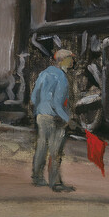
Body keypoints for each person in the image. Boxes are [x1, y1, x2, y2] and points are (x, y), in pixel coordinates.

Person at [31, 48, 77, 192]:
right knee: (55, 151)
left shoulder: (43, 74)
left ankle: (37, 178)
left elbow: (34, 97)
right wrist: (68, 119)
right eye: (70, 59)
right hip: (55, 118)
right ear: (62, 60)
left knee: (41, 147)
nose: (72, 62)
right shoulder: (62, 77)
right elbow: (57, 104)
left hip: (41, 116)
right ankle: (56, 183)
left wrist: (39, 111)